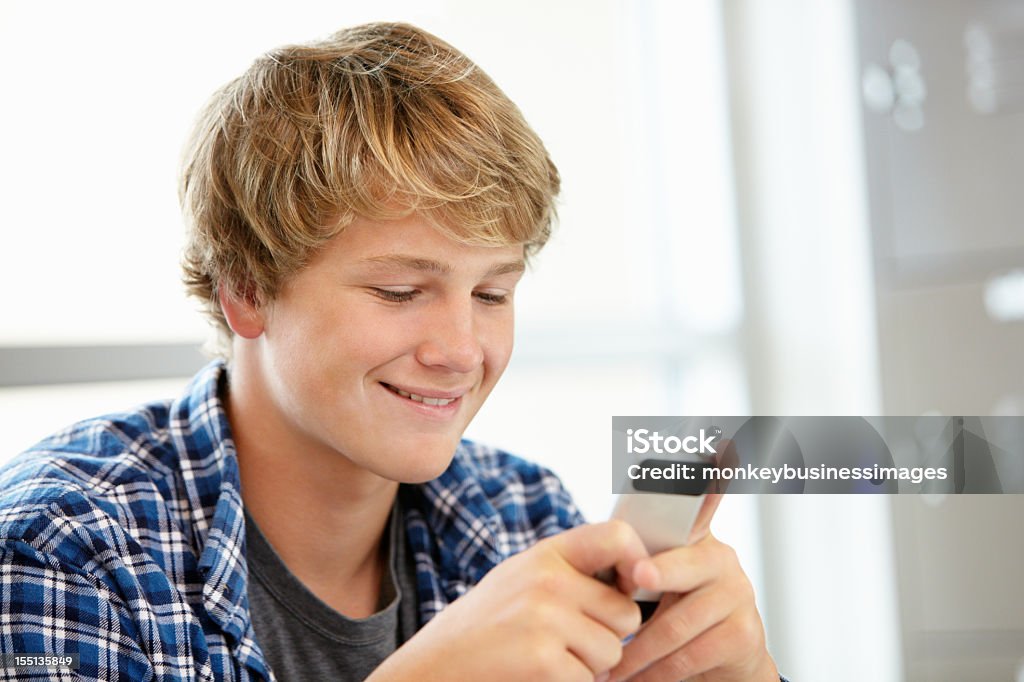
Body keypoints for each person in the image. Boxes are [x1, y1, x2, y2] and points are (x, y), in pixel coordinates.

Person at [0, 22, 783, 681]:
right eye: (401, 293)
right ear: (246, 290)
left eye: (492, 295)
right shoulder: (63, 551)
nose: (462, 351)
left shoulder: (517, 517)